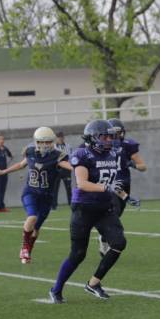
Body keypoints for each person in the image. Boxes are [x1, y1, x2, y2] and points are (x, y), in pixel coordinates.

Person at [49, 120, 126, 304]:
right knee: (78, 254)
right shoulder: (81, 154)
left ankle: (94, 283)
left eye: (110, 136)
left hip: (104, 207)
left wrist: (124, 195)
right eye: (104, 136)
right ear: (92, 137)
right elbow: (82, 183)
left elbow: (112, 182)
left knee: (119, 243)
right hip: (84, 208)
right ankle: (56, 289)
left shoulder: (112, 153)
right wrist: (105, 187)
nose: (108, 140)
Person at [0, 127, 73, 264]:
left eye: (48, 142)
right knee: (32, 216)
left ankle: (28, 249)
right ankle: (24, 246)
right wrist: (3, 171)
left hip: (47, 196)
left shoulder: (57, 155)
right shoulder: (30, 152)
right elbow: (20, 164)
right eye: (42, 142)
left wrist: (84, 168)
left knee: (35, 230)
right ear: (37, 142)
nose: (46, 145)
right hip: (31, 192)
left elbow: (69, 165)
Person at [99, 119, 147, 255]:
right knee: (113, 212)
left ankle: (103, 238)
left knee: (117, 215)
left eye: (118, 133)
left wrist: (132, 164)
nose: (115, 136)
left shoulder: (127, 145)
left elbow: (143, 166)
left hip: (124, 184)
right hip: (109, 184)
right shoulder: (101, 146)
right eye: (112, 133)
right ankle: (107, 240)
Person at [51, 131, 72, 209]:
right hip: (56, 169)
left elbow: (70, 156)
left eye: (62, 137)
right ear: (56, 138)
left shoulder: (68, 146)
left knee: (68, 187)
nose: (61, 139)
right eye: (59, 138)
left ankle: (71, 204)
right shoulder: (53, 147)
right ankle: (53, 205)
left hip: (66, 169)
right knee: (55, 188)